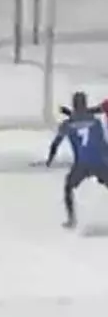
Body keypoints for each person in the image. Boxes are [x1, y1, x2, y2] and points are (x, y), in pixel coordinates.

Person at [46, 92, 108, 230]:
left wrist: (49, 160)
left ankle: (71, 220)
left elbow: (56, 144)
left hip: (82, 164)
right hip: (100, 163)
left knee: (68, 187)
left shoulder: (67, 124)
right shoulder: (96, 122)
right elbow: (103, 145)